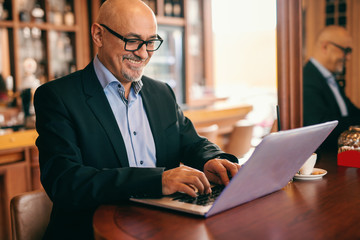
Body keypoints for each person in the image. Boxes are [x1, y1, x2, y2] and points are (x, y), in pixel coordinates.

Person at [34, 0, 240, 239]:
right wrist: (156, 181)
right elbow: (65, 182)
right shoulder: (58, 97)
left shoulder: (162, 92)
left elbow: (192, 143)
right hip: (93, 232)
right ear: (98, 35)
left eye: (151, 42)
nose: (143, 53)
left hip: (164, 226)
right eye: (132, 41)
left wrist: (212, 159)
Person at [303, 25, 360, 148]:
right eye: (346, 51)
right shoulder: (307, 79)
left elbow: (351, 113)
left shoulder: (330, 79)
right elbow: (321, 127)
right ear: (325, 47)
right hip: (324, 162)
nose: (348, 58)